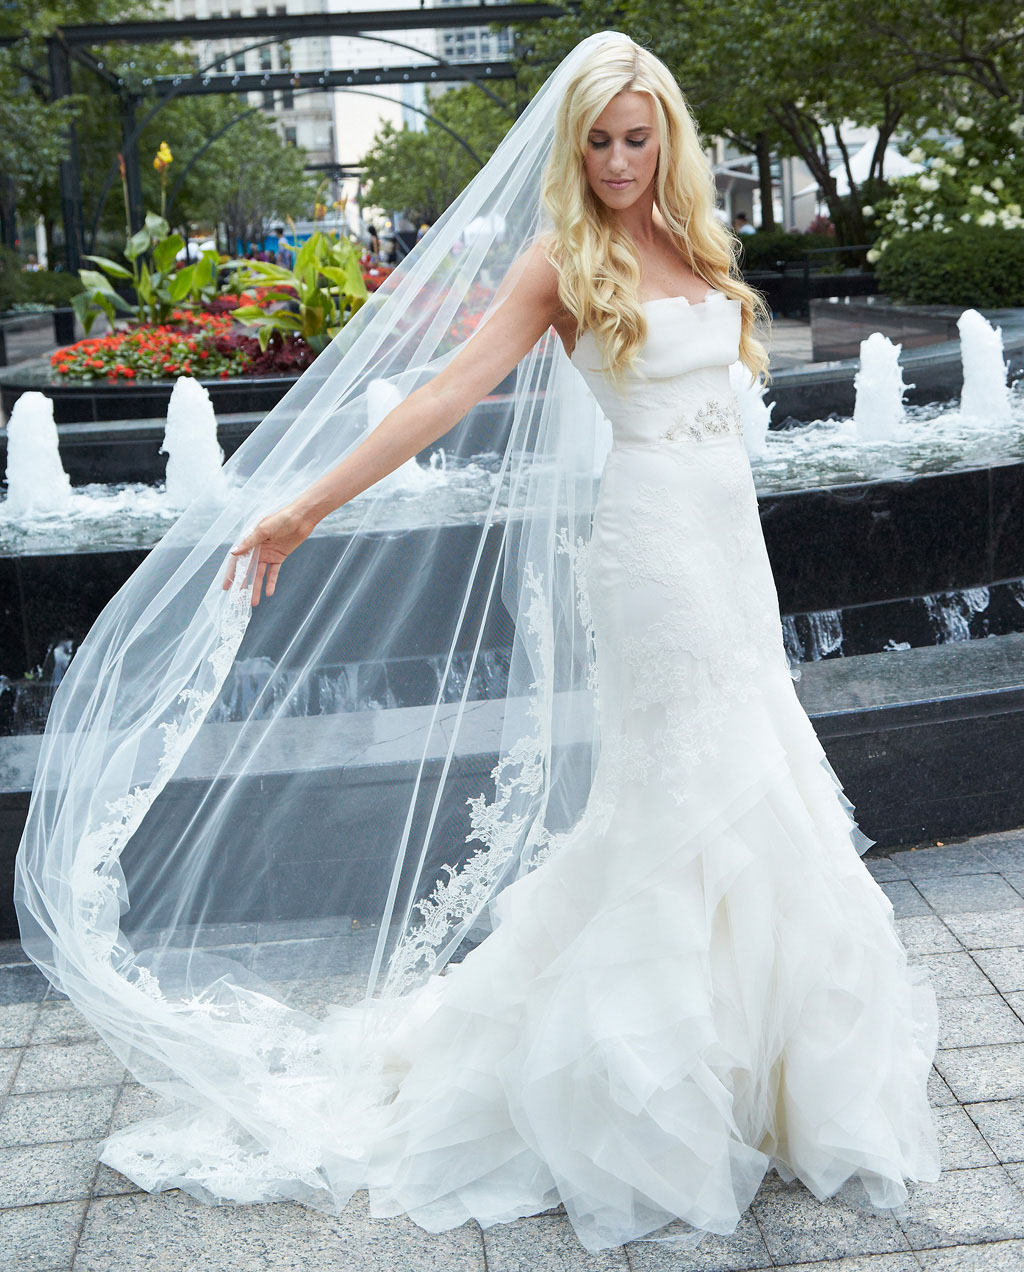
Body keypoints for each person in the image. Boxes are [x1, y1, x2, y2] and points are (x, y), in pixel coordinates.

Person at [15, 32, 940, 1256]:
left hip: (727, 548)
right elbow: (445, 393)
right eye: (599, 140)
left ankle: (757, 1075)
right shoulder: (562, 260)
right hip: (651, 551)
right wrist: (303, 504)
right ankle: (638, 1086)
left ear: (665, 135)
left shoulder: (697, 241)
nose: (618, 159)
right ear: (574, 147)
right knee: (690, 797)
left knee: (758, 774)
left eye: (636, 136)